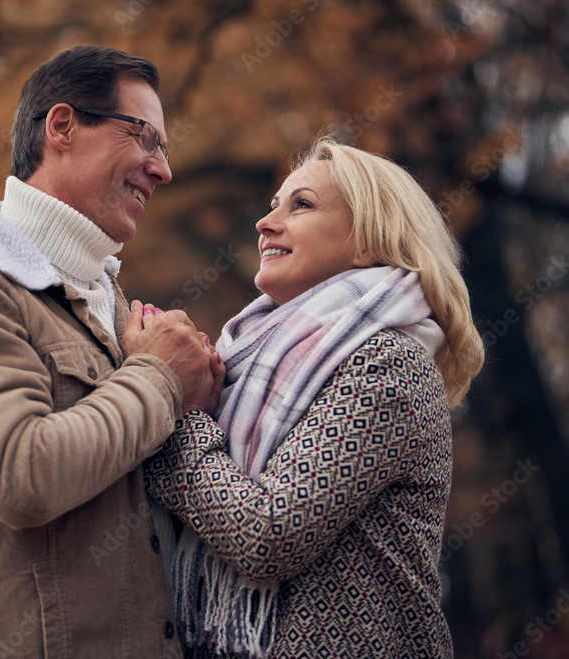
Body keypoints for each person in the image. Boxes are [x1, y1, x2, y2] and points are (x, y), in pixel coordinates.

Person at [0, 45, 220, 658]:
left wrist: (199, 397)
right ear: (62, 127)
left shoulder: (116, 310)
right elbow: (21, 477)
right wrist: (161, 383)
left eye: (164, 150)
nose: (162, 169)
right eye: (146, 137)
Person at [142, 136, 485, 658]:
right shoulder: (252, 359)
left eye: (300, 205)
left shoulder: (388, 364)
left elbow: (266, 532)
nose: (266, 222)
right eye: (273, 204)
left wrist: (179, 419)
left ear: (369, 240)